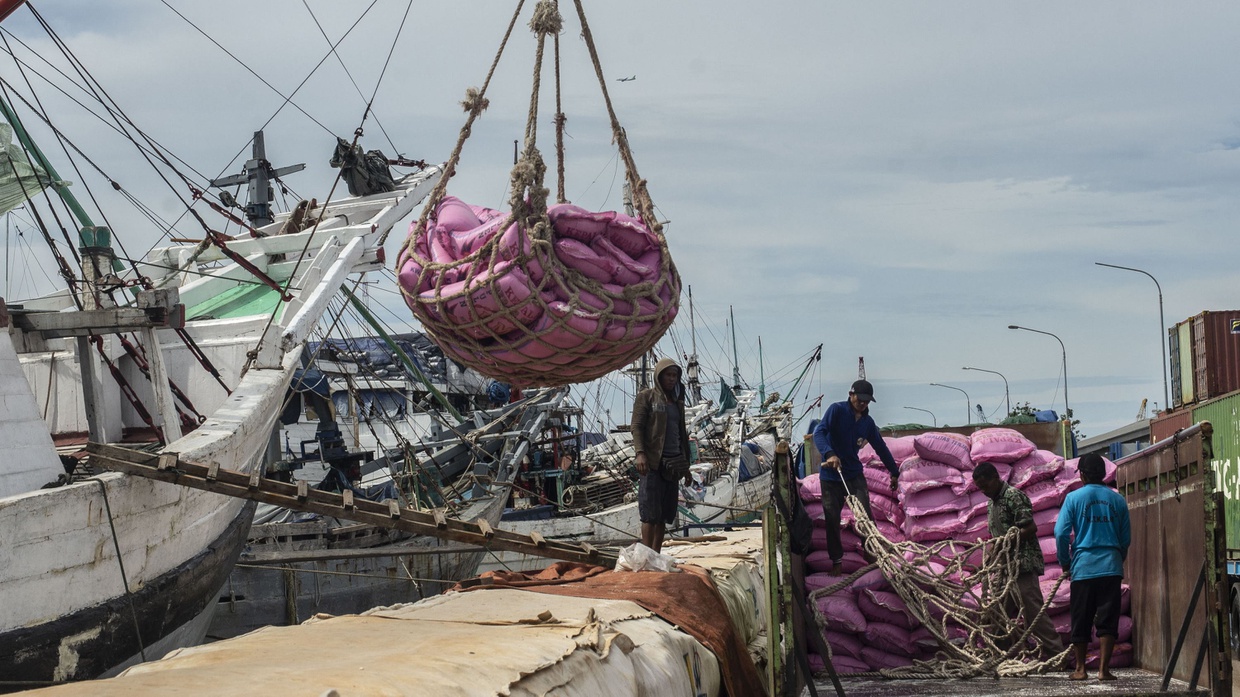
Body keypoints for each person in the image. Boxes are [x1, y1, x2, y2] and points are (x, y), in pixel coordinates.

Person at [972, 461, 1065, 658]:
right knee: (998, 613)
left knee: (1032, 613)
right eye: (980, 489)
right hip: (1005, 567)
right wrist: (988, 560)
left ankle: (1056, 654)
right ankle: (999, 655)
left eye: (985, 486)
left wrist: (1008, 542)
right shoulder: (992, 504)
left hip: (1022, 565)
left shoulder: (1013, 497)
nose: (984, 491)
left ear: (996, 478)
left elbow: (1030, 528)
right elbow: (997, 537)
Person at [1054, 452, 1131, 682]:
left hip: (1083, 567)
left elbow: (1060, 534)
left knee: (1081, 619)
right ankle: (1104, 670)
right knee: (1108, 620)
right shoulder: (1118, 500)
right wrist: (1118, 559)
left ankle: (1080, 669)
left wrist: (1065, 562)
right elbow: (1125, 538)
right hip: (1111, 566)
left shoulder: (1073, 499)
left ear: (1084, 475)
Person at [812, 379, 899, 576]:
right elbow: (820, 433)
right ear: (851, 395)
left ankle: (872, 554)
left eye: (867, 401)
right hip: (831, 476)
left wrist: (894, 471)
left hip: (853, 474)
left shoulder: (867, 423)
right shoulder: (837, 411)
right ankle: (837, 561)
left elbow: (880, 447)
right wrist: (829, 454)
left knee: (865, 516)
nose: (862, 404)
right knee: (832, 519)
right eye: (860, 399)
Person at [631, 357, 692, 553]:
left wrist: (687, 466)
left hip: (673, 465)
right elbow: (637, 427)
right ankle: (646, 554)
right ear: (659, 376)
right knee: (650, 514)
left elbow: (682, 433)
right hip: (653, 464)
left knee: (665, 514)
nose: (672, 379)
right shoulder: (647, 397)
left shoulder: (676, 401)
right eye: (668, 375)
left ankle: (655, 554)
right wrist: (640, 453)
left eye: (675, 375)